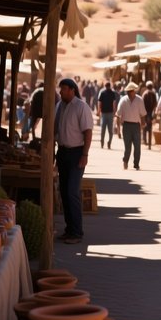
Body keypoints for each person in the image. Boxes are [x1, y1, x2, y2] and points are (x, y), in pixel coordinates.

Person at [54, 78, 94, 244]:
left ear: (71, 89)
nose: (61, 92)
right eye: (60, 89)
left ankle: (77, 232)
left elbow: (88, 132)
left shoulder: (81, 107)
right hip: (62, 152)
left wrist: (85, 155)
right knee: (63, 192)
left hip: (76, 153)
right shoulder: (60, 106)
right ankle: (69, 229)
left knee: (72, 192)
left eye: (63, 89)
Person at [116, 82, 146, 170]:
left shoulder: (139, 100)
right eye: (128, 91)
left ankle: (136, 164)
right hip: (126, 126)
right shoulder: (123, 100)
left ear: (134, 91)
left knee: (137, 146)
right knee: (127, 147)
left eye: (131, 91)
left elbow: (143, 114)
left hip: (136, 125)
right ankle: (125, 161)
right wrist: (118, 129)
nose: (129, 93)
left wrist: (143, 124)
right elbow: (118, 114)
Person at [97, 80, 118, 149]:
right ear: (110, 86)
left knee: (103, 129)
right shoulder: (112, 93)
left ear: (105, 86)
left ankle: (102, 143)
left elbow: (100, 103)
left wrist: (99, 112)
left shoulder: (102, 93)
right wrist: (114, 112)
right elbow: (114, 104)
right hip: (110, 113)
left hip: (104, 114)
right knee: (110, 130)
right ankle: (109, 143)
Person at [142, 81, 158, 148]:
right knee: (150, 127)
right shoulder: (153, 94)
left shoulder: (144, 94)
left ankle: (145, 141)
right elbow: (155, 104)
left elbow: (142, 104)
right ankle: (149, 144)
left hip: (145, 113)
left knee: (145, 127)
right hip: (150, 113)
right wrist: (154, 113)